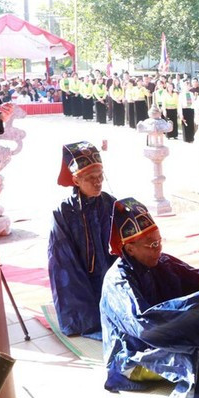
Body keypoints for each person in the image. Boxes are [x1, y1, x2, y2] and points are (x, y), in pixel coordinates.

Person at [101, 198, 199, 398]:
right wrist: (190, 313)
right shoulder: (118, 281)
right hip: (133, 350)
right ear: (130, 249)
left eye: (160, 241)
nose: (158, 249)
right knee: (190, 357)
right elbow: (144, 324)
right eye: (152, 245)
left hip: (164, 332)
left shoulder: (161, 261)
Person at [48, 142, 117, 338]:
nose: (98, 183)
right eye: (90, 178)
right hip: (77, 279)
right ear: (76, 180)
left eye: (100, 177)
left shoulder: (110, 203)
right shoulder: (63, 211)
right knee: (86, 318)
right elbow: (61, 259)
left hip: (108, 274)